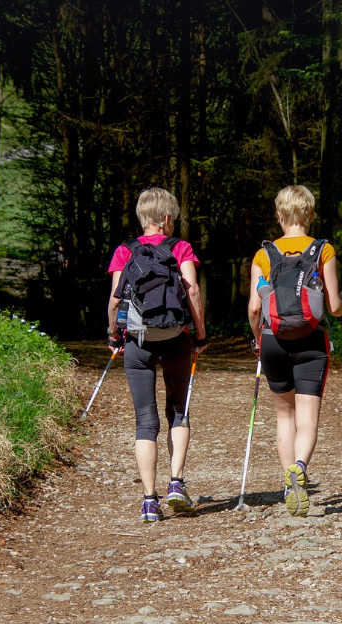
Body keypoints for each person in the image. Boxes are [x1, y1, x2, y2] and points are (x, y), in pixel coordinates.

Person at [247, 185, 342, 517]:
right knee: (307, 419)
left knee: (284, 416)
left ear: (279, 216)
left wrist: (256, 341)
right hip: (311, 341)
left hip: (272, 340)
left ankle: (289, 484)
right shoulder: (323, 250)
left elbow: (253, 308)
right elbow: (333, 306)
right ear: (310, 214)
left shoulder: (263, 255)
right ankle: (301, 467)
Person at [106, 188, 207, 522]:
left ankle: (149, 501)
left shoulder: (125, 251)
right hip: (176, 338)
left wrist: (113, 333)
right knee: (178, 410)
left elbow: (116, 300)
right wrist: (200, 332)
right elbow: (191, 290)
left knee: (145, 420)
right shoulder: (180, 248)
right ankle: (176, 482)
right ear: (167, 219)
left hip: (138, 342)